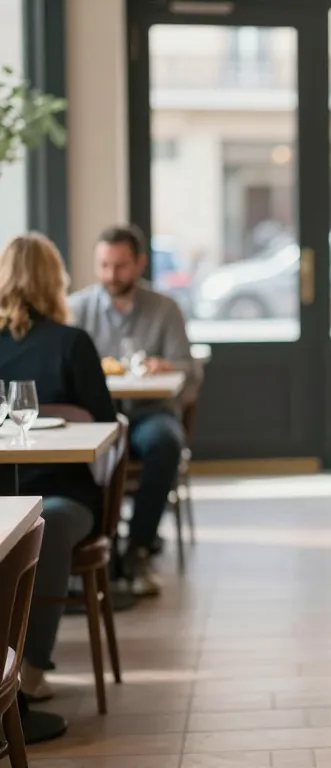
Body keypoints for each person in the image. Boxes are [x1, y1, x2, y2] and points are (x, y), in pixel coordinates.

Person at [0, 233, 118, 700]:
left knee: (41, 524)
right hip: (63, 493)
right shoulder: (74, 342)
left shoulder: (73, 343)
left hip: (36, 498)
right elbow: (108, 426)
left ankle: (28, 668)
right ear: (56, 282)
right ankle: (21, 671)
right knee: (45, 520)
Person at [68, 224, 199, 596]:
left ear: (139, 263)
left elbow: (191, 369)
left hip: (148, 412)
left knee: (165, 442)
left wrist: (167, 366)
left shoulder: (164, 309)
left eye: (120, 266)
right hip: (95, 413)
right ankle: (90, 546)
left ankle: (138, 546)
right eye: (104, 265)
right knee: (78, 449)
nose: (112, 275)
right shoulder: (77, 309)